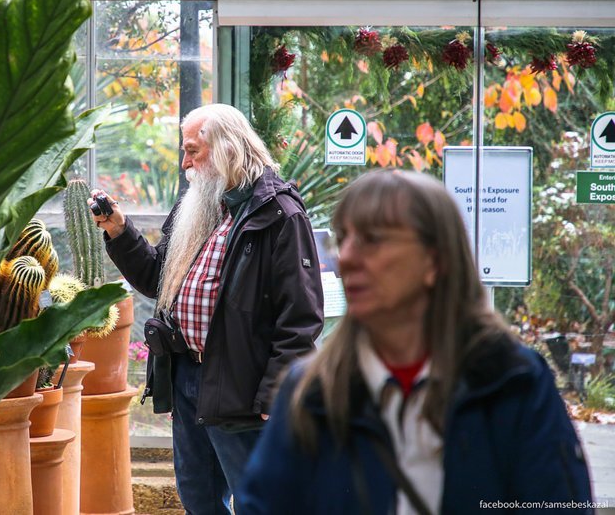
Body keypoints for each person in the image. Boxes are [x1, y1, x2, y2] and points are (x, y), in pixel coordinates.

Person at [236, 169, 593, 514]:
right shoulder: (312, 392)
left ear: (434, 260)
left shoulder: (512, 383)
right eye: (343, 238)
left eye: (373, 239)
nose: (346, 258)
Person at [90, 103, 324, 514]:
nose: (185, 163)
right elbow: (159, 279)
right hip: (187, 376)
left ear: (228, 148)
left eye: (193, 150)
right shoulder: (199, 205)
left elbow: (300, 318)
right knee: (198, 497)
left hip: (243, 385)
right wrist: (119, 231)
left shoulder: (280, 214)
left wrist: (277, 393)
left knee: (259, 501)